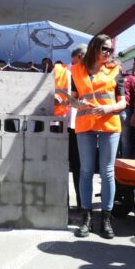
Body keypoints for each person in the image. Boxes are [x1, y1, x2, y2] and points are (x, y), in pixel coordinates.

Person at [70, 34, 126, 239]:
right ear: (94, 47)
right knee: (85, 171)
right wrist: (76, 103)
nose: (108, 53)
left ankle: (106, 220)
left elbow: (123, 102)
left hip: (109, 124)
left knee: (107, 172)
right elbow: (73, 100)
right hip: (85, 124)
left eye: (110, 49)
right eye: (105, 48)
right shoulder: (76, 70)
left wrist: (108, 108)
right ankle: (86, 219)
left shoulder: (115, 69)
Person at [54, 43, 86, 209]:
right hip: (60, 124)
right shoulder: (60, 71)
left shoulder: (90, 74)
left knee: (79, 167)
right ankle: (62, 203)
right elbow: (46, 91)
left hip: (80, 126)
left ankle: (82, 203)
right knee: (61, 165)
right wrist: (53, 97)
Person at [119, 68, 135, 159]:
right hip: (110, 111)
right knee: (112, 140)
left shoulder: (130, 78)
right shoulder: (108, 77)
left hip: (125, 111)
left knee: (125, 140)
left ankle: (124, 162)